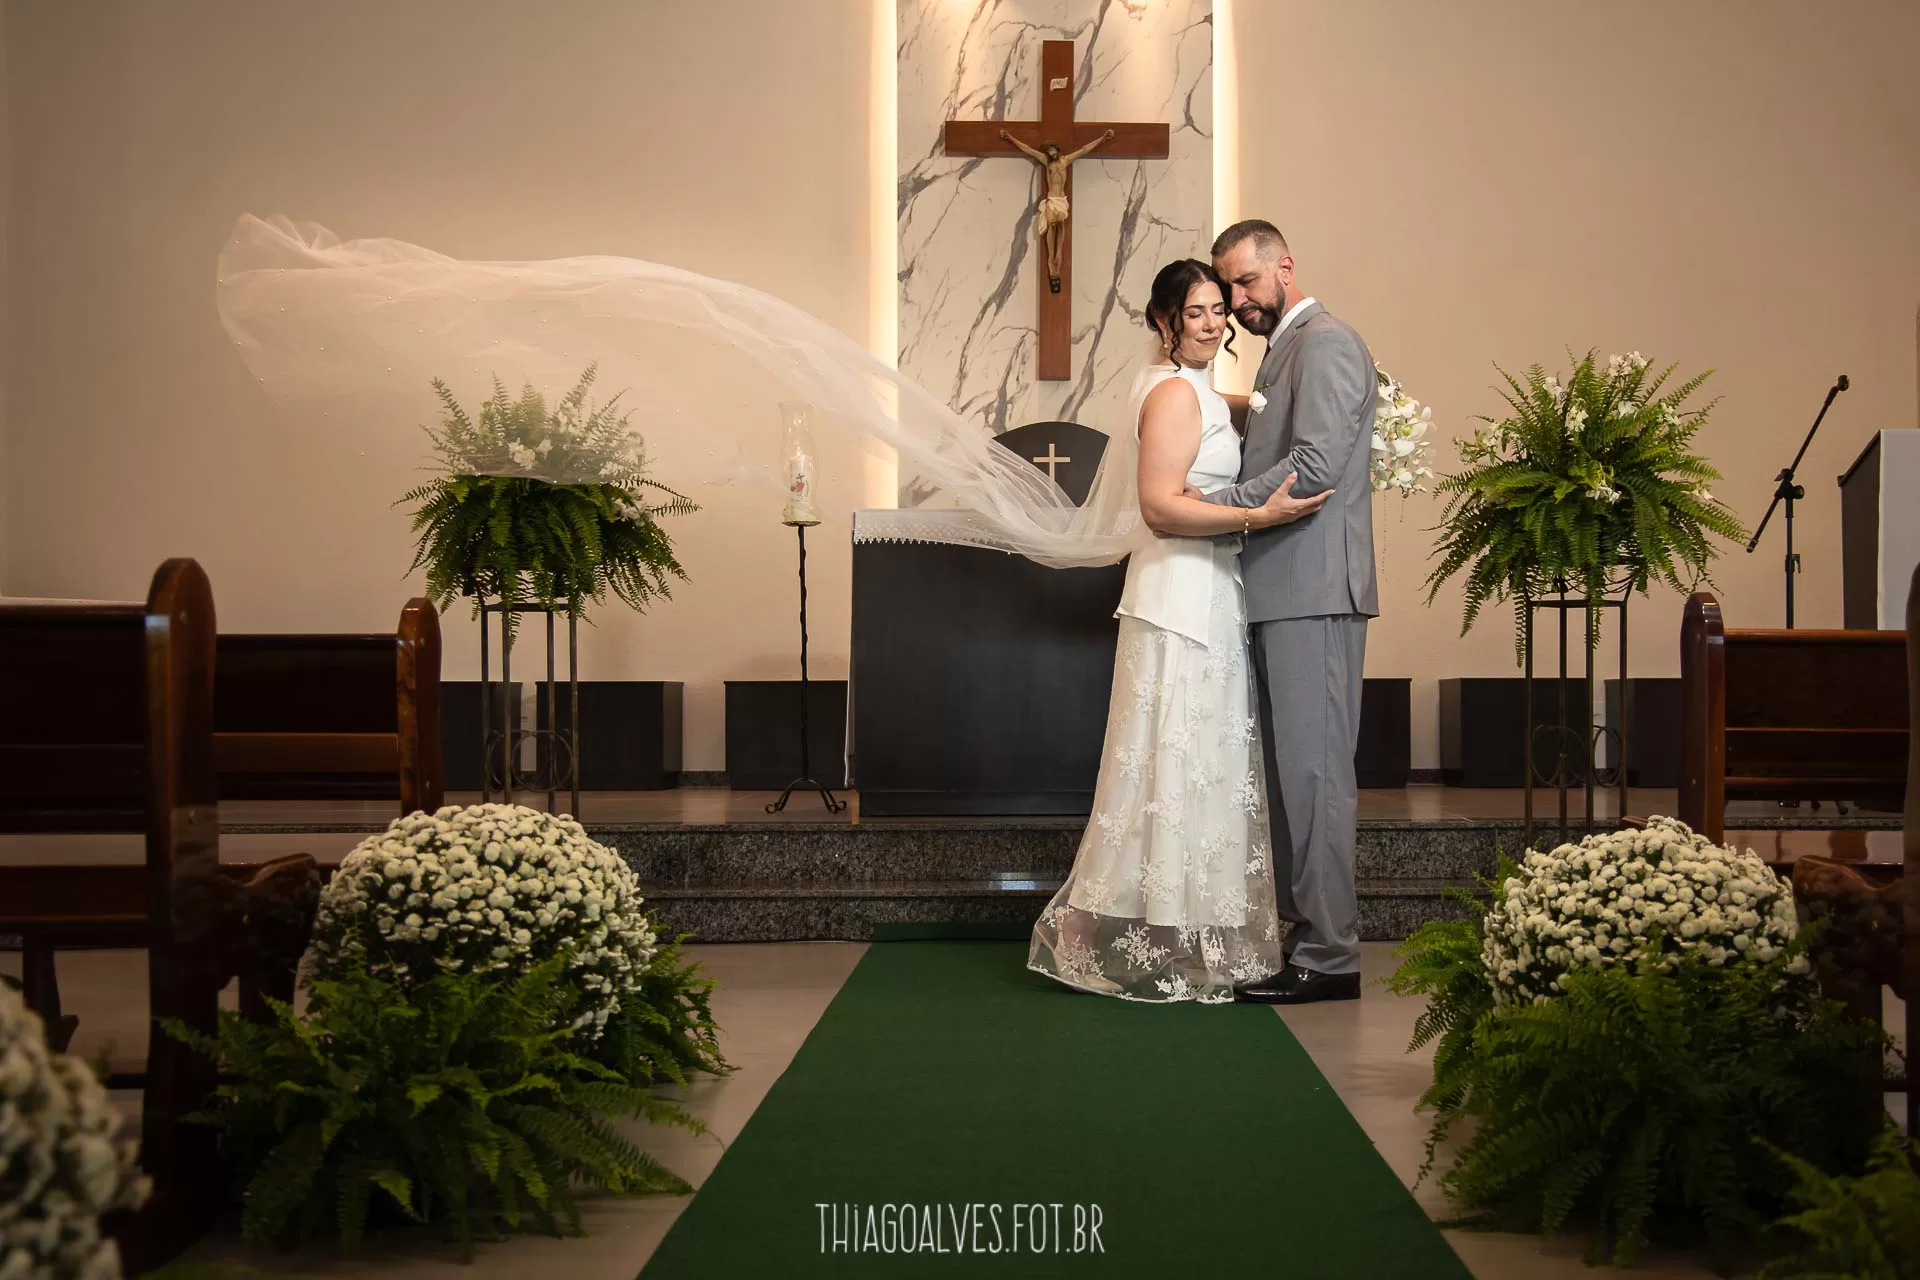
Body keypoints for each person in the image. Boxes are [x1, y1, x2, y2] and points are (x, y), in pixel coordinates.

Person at [1027, 258, 1329, 1002]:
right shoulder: (1170, 393)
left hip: (1210, 589)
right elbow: (1161, 508)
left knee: (1198, 759)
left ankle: (1187, 927)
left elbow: (1244, 407)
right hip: (1179, 596)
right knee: (1168, 757)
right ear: (1165, 321)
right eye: (1195, 312)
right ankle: (1111, 928)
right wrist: (1256, 514)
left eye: (1219, 310)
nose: (1213, 324)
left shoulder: (1197, 390)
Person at [1199, 219, 1378, 1005]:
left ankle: (1331, 958)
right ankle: (1304, 941)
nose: (1238, 299)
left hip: (1315, 592)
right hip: (1282, 591)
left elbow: (1314, 466)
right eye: (1228, 286)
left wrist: (1209, 505)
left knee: (1316, 780)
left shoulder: (1326, 342)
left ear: (1284, 267)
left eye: (1246, 280)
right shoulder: (1283, 350)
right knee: (1291, 783)